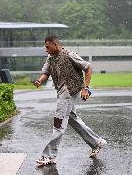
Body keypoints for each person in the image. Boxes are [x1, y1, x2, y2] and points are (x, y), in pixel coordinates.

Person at [34, 35, 107, 166]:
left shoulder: (69, 55)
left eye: (47, 47)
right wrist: (40, 80)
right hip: (62, 93)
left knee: (58, 124)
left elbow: (88, 67)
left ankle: (48, 156)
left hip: (69, 93)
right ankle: (97, 142)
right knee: (73, 119)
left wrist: (86, 88)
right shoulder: (50, 58)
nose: (46, 50)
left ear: (55, 45)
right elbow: (46, 73)